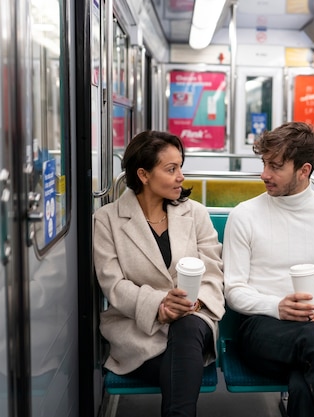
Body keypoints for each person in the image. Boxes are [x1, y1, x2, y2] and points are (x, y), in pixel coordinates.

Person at [222, 121, 314, 417]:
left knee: (305, 381)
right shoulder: (245, 215)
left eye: (275, 167)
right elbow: (234, 290)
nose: (264, 174)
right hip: (259, 327)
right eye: (264, 163)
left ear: (304, 170)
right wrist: (278, 306)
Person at [93, 130, 225, 417]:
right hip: (139, 331)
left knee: (187, 328)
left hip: (193, 320)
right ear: (143, 174)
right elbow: (113, 285)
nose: (181, 176)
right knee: (180, 365)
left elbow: (213, 272)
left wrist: (193, 304)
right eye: (171, 169)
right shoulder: (107, 221)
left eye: (180, 167)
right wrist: (159, 307)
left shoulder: (196, 214)